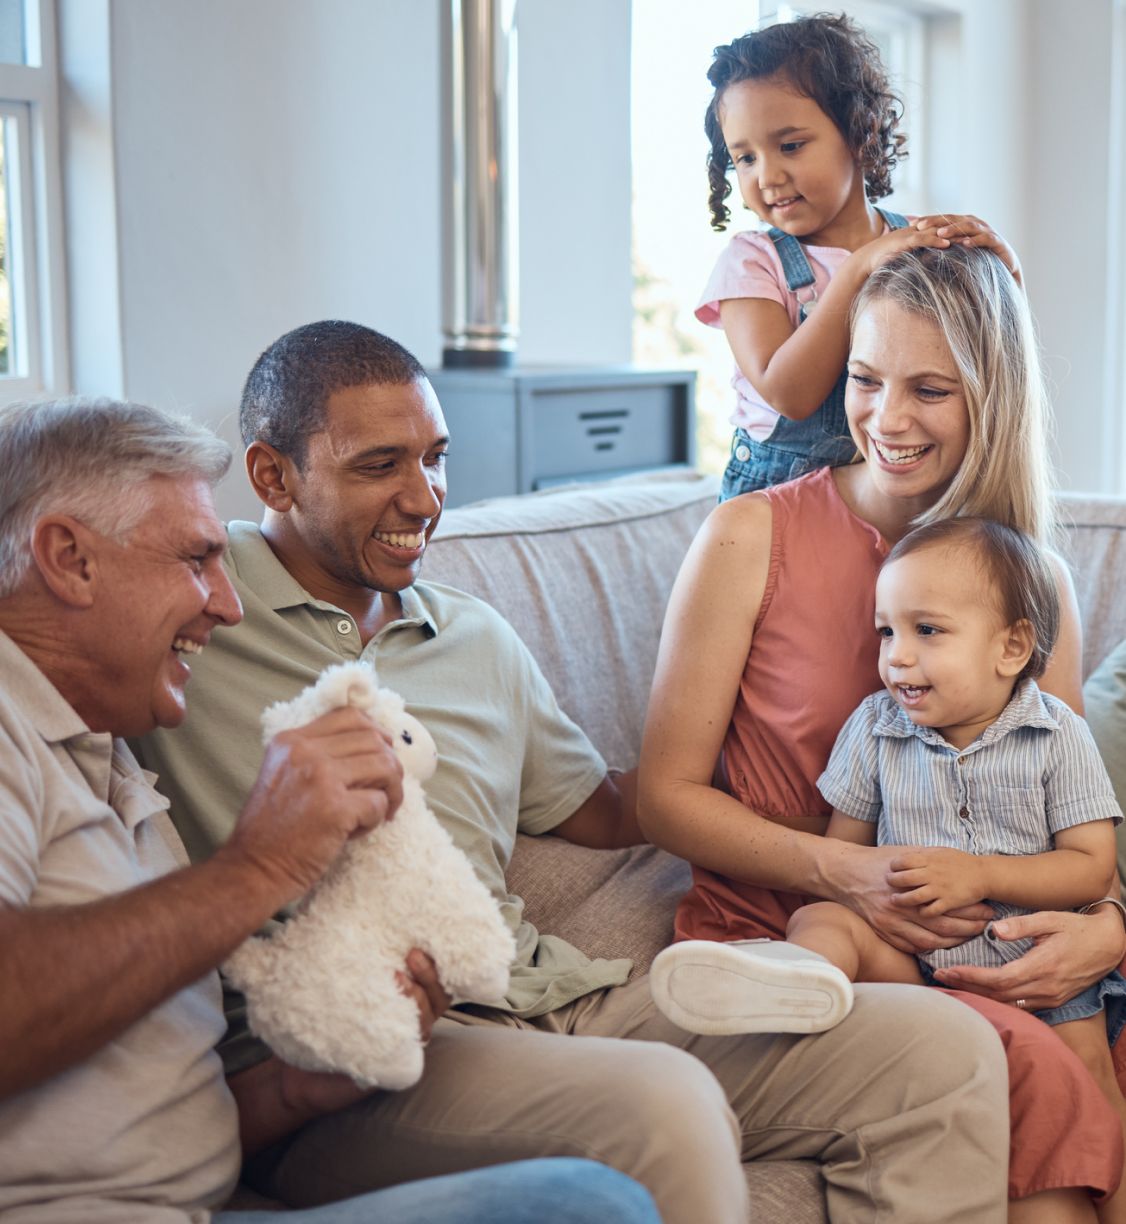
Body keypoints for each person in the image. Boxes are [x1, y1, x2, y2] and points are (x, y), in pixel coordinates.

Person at [135, 319, 1013, 1224]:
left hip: (551, 1000)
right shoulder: (196, 611)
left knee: (942, 1053)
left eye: (436, 458)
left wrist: (843, 809)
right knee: (662, 1104)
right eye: (378, 466)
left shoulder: (472, 633)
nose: (424, 497)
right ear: (272, 476)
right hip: (355, 1059)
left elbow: (603, 808)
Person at [0, 396, 662, 1224]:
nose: (226, 603)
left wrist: (297, 1091)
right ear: (69, 558)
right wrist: (264, 862)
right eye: (197, 560)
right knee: (584, 1206)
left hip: (213, 1194)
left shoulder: (108, 754)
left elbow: (161, 1115)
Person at [638, 245, 1126, 1223]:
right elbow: (662, 798)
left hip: (990, 932)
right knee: (1036, 1072)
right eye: (865, 379)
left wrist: (1105, 932)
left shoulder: (1036, 586)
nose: (886, 419)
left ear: (990, 396)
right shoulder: (749, 536)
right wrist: (845, 876)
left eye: (930, 389)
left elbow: (1062, 810)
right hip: (806, 937)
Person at [699, 13, 1022, 498]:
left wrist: (1006, 273)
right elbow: (790, 395)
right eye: (744, 158)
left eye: (790, 145)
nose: (766, 176)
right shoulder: (752, 262)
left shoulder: (914, 244)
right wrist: (858, 268)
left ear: (857, 132)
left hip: (896, 486)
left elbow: (990, 365)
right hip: (780, 496)